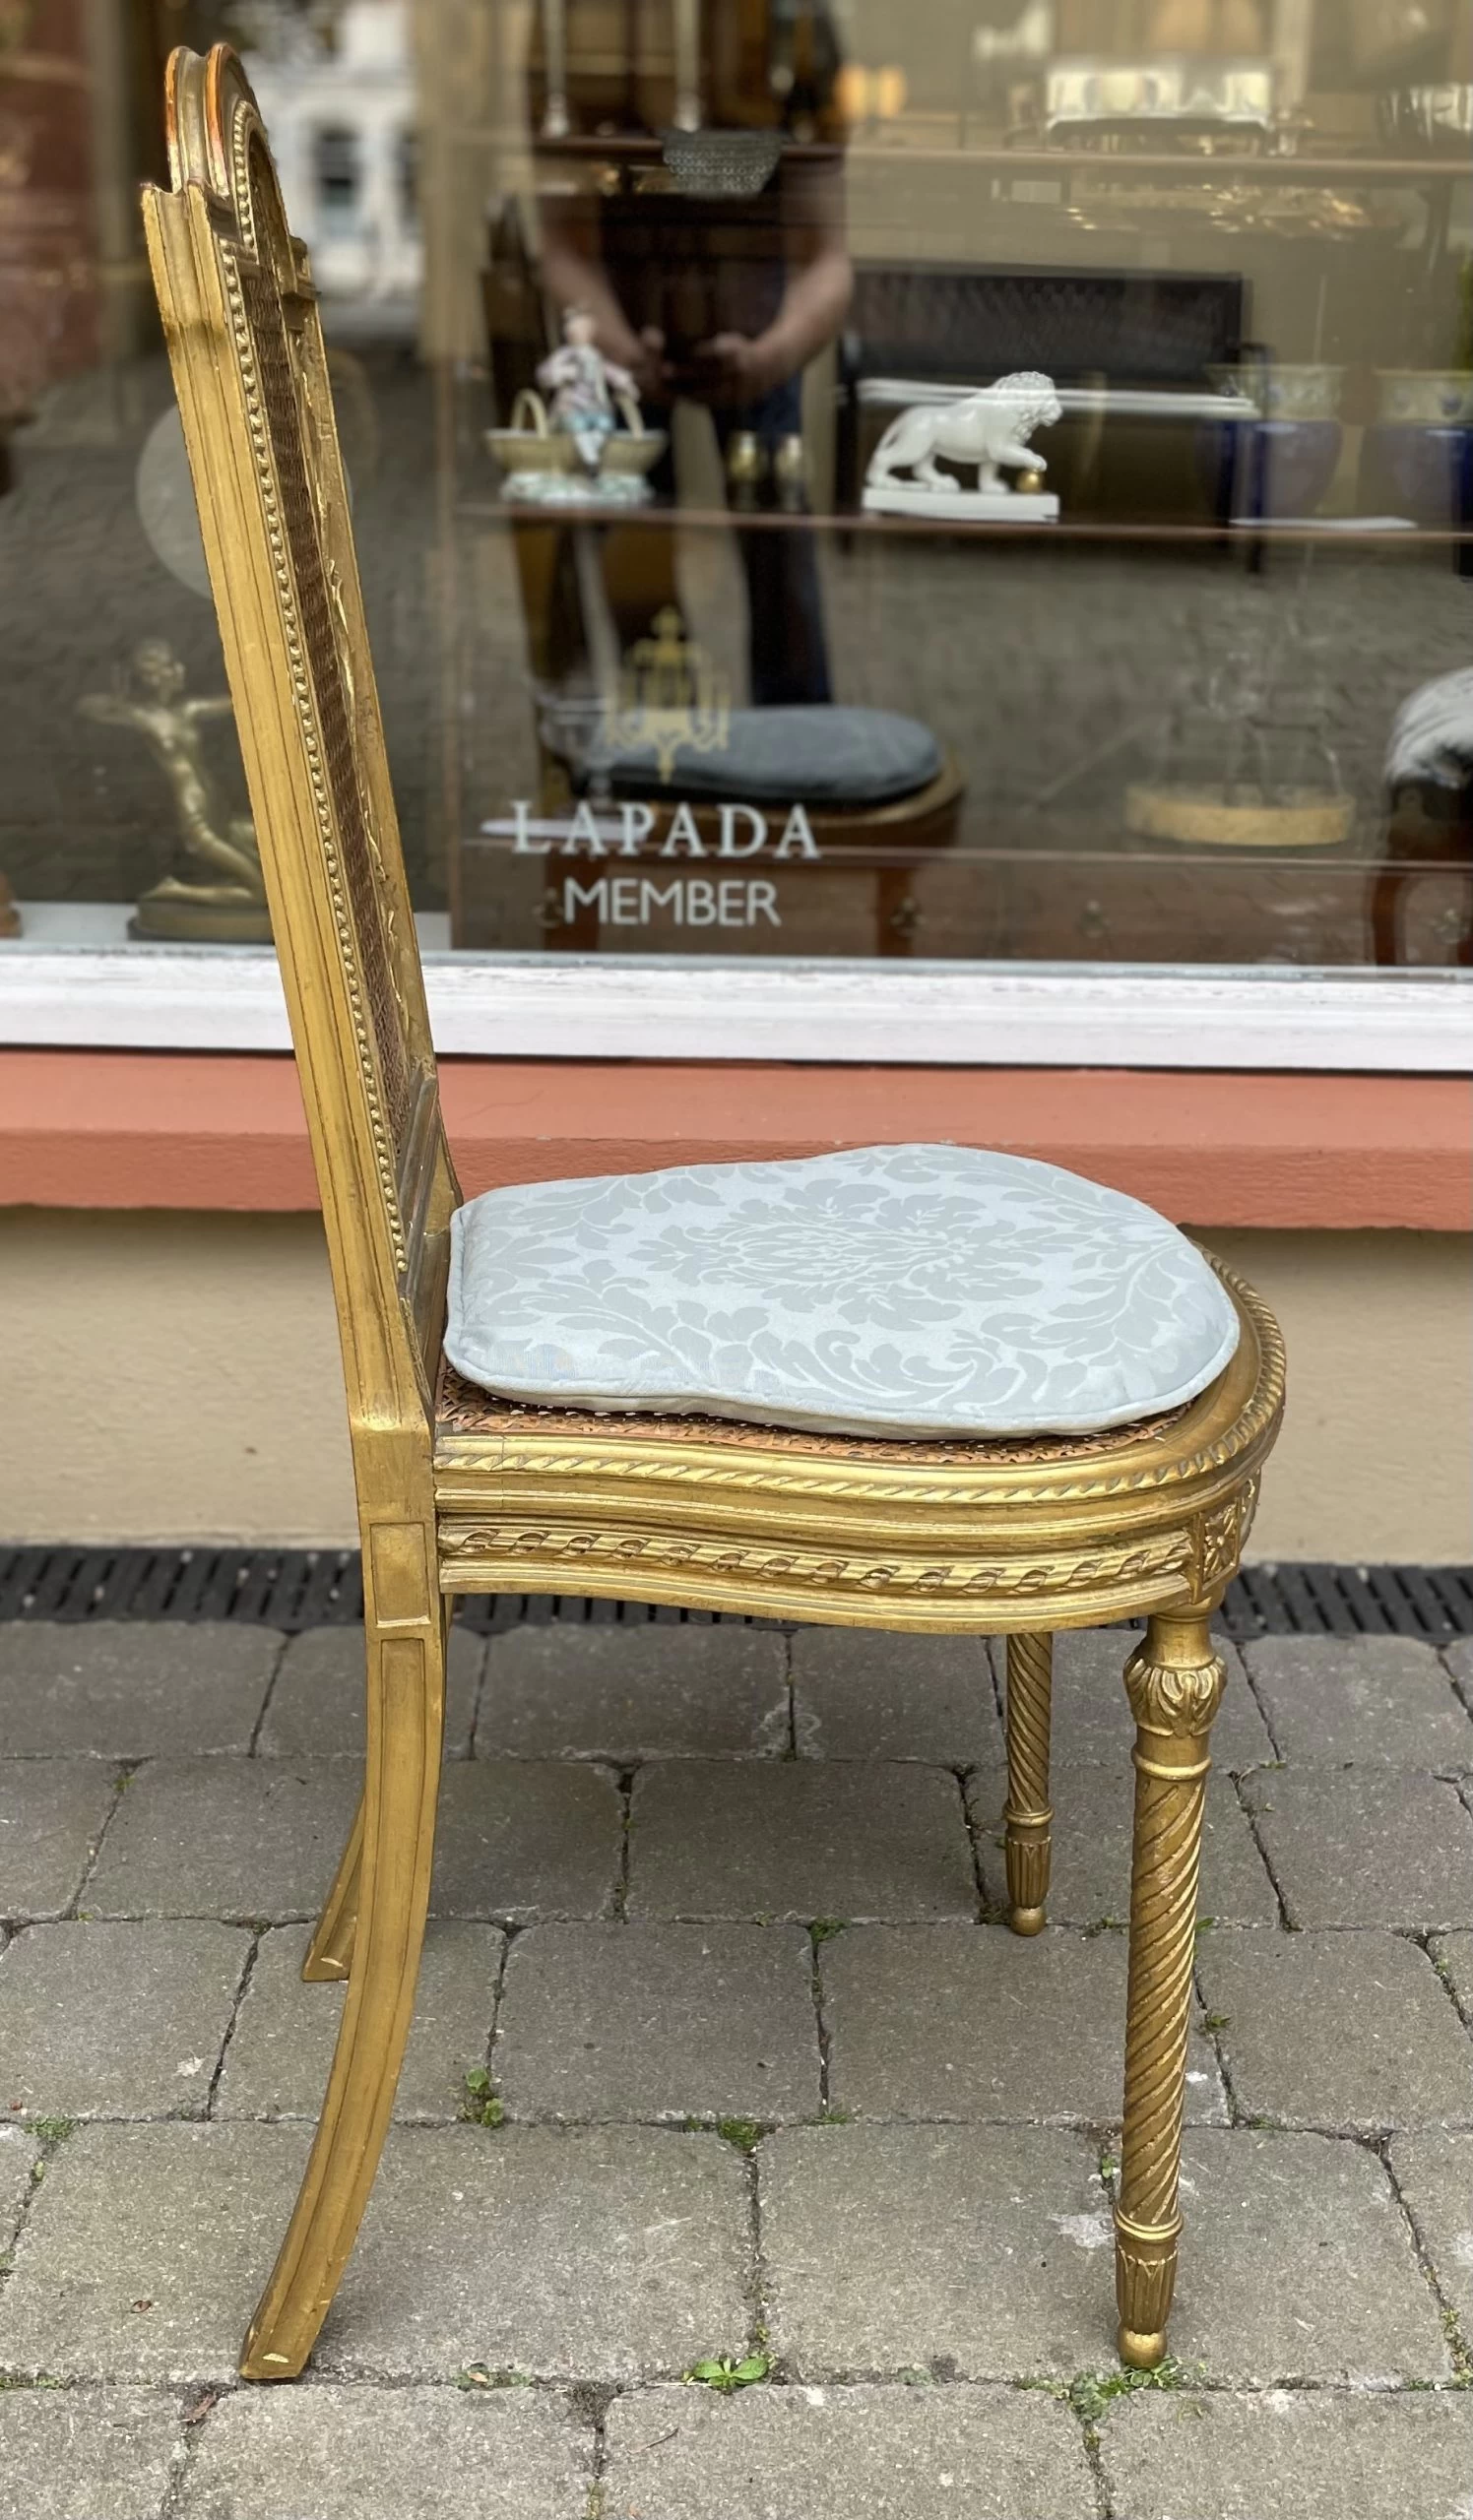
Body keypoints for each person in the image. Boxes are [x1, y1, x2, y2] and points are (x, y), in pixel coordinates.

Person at [527, 0, 853, 706]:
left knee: (777, 555)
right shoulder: (578, 22)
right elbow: (560, 242)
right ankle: (672, 737)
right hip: (634, 328)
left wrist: (770, 356)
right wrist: (620, 350)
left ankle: (781, 739)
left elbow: (828, 254)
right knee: (637, 557)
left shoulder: (790, 21)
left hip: (748, 322)